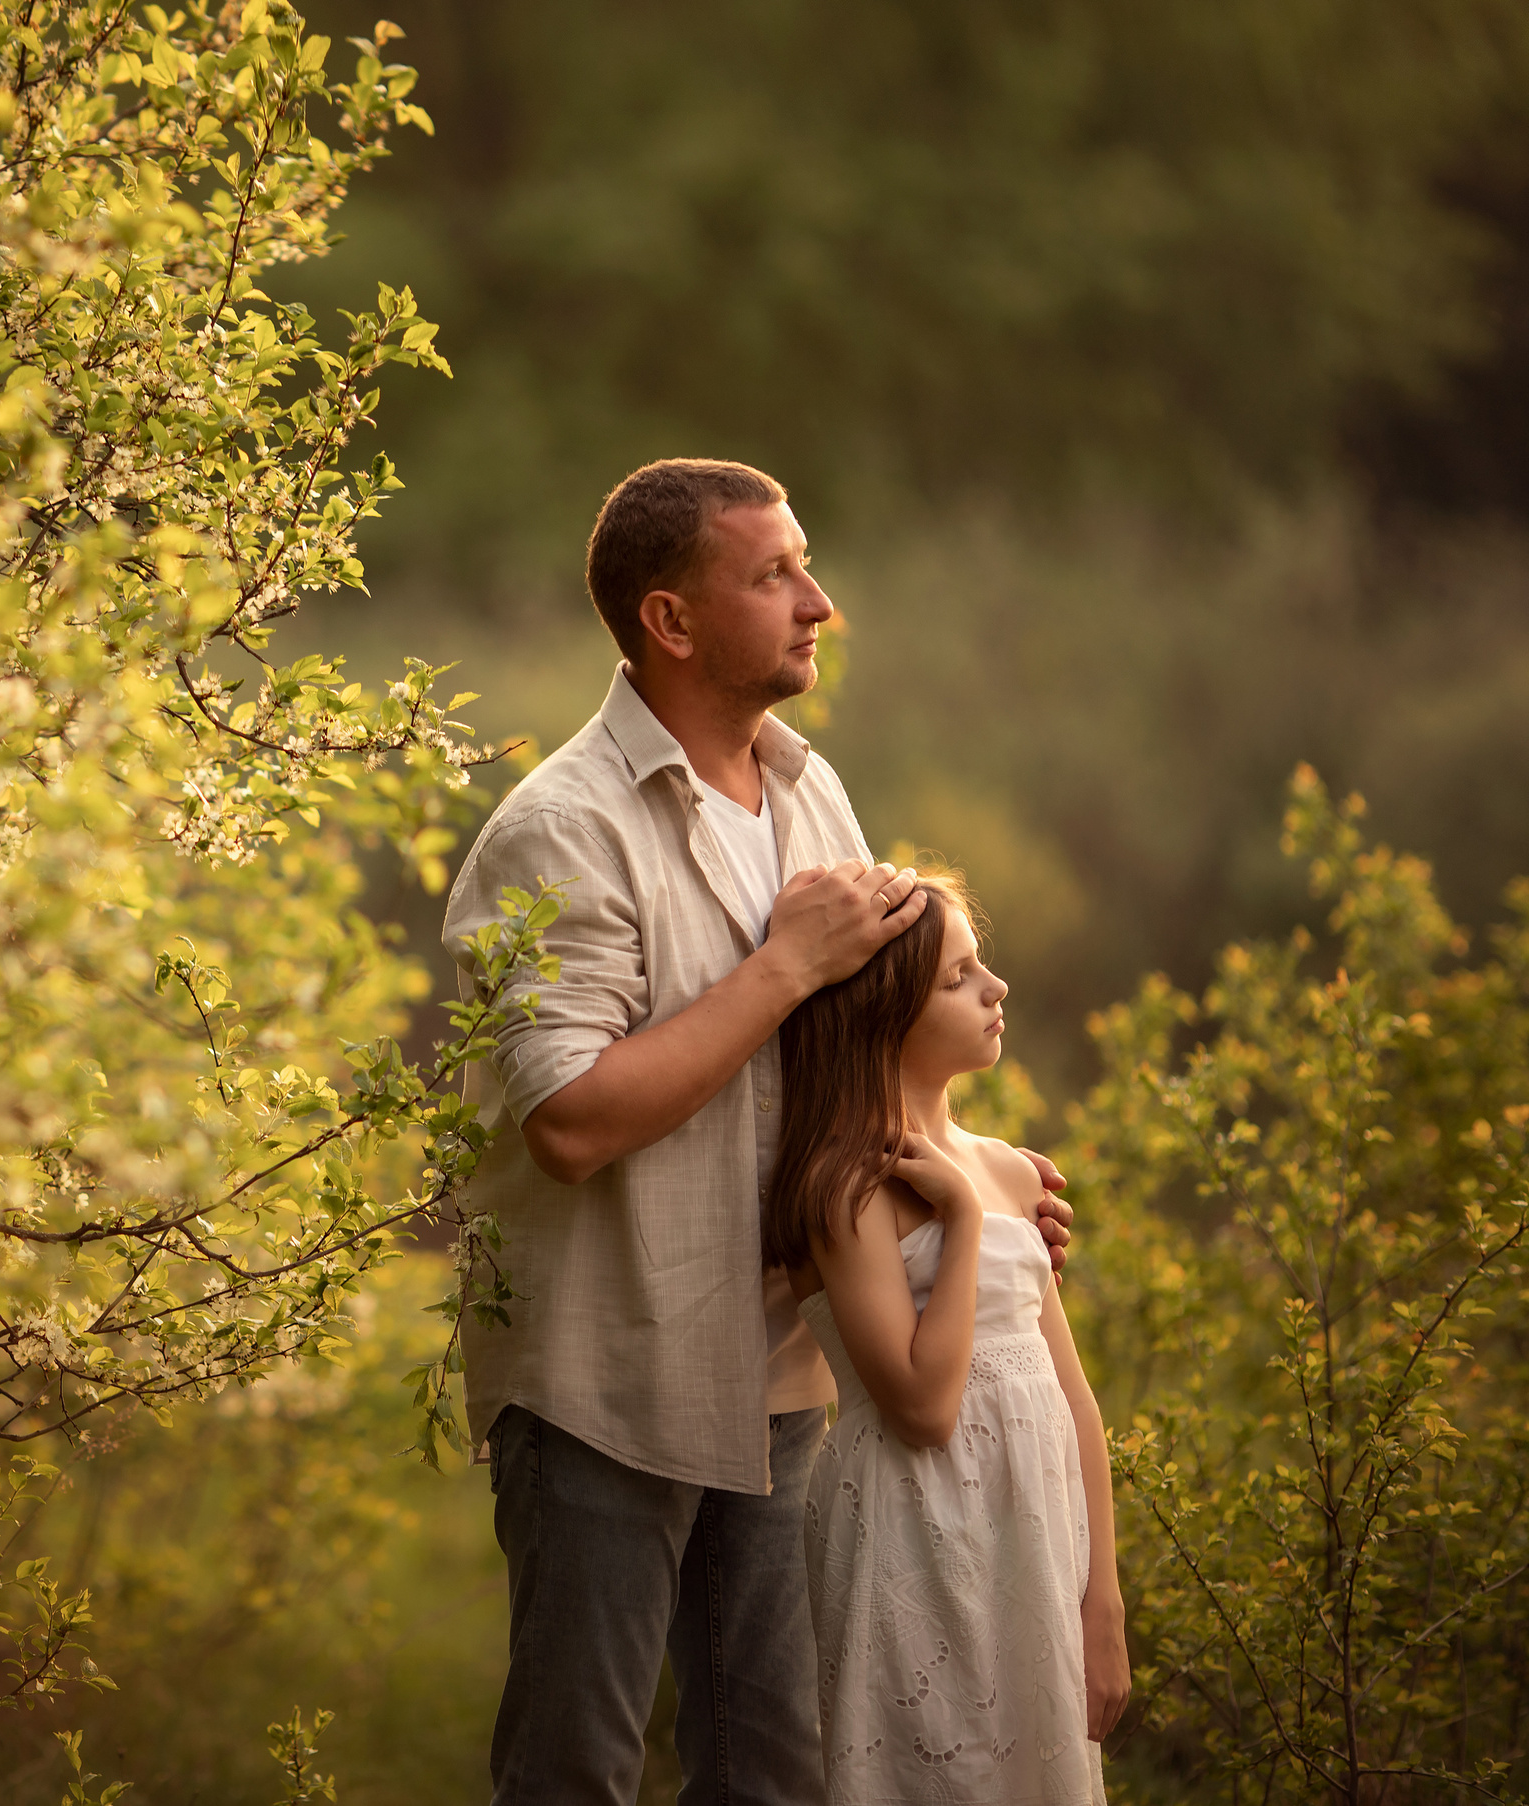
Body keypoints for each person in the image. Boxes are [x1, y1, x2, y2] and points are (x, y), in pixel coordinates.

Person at [439, 458, 1070, 1805]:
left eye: (807, 563)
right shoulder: (558, 830)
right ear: (670, 621)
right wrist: (780, 966)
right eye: (773, 574)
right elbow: (569, 1121)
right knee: (576, 1775)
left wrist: (978, 1194)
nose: (818, 602)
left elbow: (862, 1071)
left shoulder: (809, 794)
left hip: (785, 1370)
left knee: (774, 1772)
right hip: (609, 1377)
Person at [769, 872, 1129, 1804]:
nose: (994, 988)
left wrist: (1103, 1601)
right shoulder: (847, 1186)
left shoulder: (1010, 1169)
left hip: (1033, 1539)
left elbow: (1074, 1402)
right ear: (886, 1013)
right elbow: (925, 1407)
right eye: (960, 976)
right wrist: (964, 1223)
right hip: (912, 1539)